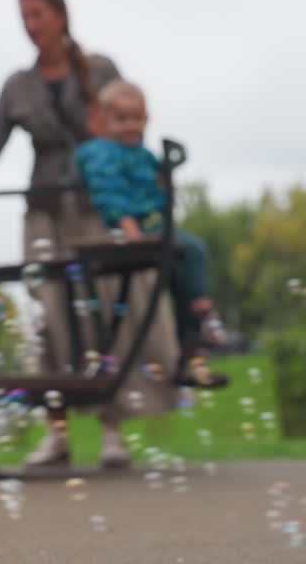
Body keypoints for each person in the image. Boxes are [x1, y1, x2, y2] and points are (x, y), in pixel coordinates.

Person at [0, 0, 180, 469]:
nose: (30, 24)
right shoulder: (18, 85)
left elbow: (127, 130)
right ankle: (57, 432)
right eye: (24, 16)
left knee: (107, 313)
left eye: (38, 13)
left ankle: (112, 430)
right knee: (51, 316)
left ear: (61, 16)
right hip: (44, 210)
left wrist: (147, 187)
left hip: (95, 207)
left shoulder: (99, 70)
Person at [75, 79, 229, 388]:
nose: (130, 126)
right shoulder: (101, 153)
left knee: (181, 264)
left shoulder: (142, 155)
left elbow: (152, 183)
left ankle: (191, 348)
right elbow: (109, 193)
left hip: (153, 225)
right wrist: (128, 225)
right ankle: (203, 313)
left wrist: (167, 168)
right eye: (122, 119)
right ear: (105, 121)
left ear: (147, 119)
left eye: (136, 118)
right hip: (131, 228)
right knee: (193, 249)